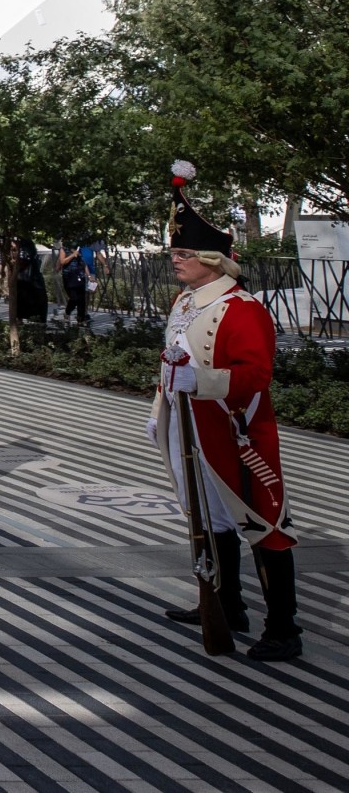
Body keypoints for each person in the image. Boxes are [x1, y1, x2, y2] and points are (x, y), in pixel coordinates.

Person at [152, 161, 301, 661]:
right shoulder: (186, 301)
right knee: (208, 518)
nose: (175, 259)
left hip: (235, 429)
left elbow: (257, 375)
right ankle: (226, 602)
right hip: (190, 424)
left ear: (212, 259)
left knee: (263, 522)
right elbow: (174, 359)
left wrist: (204, 382)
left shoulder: (242, 309)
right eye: (174, 251)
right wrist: (163, 404)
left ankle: (284, 628)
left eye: (184, 252)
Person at [59, 237, 91, 324]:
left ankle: (81, 319)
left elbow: (84, 264)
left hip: (80, 276)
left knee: (81, 299)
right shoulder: (64, 249)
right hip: (69, 276)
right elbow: (62, 262)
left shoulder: (79, 250)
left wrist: (89, 275)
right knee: (74, 298)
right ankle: (67, 312)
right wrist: (73, 255)